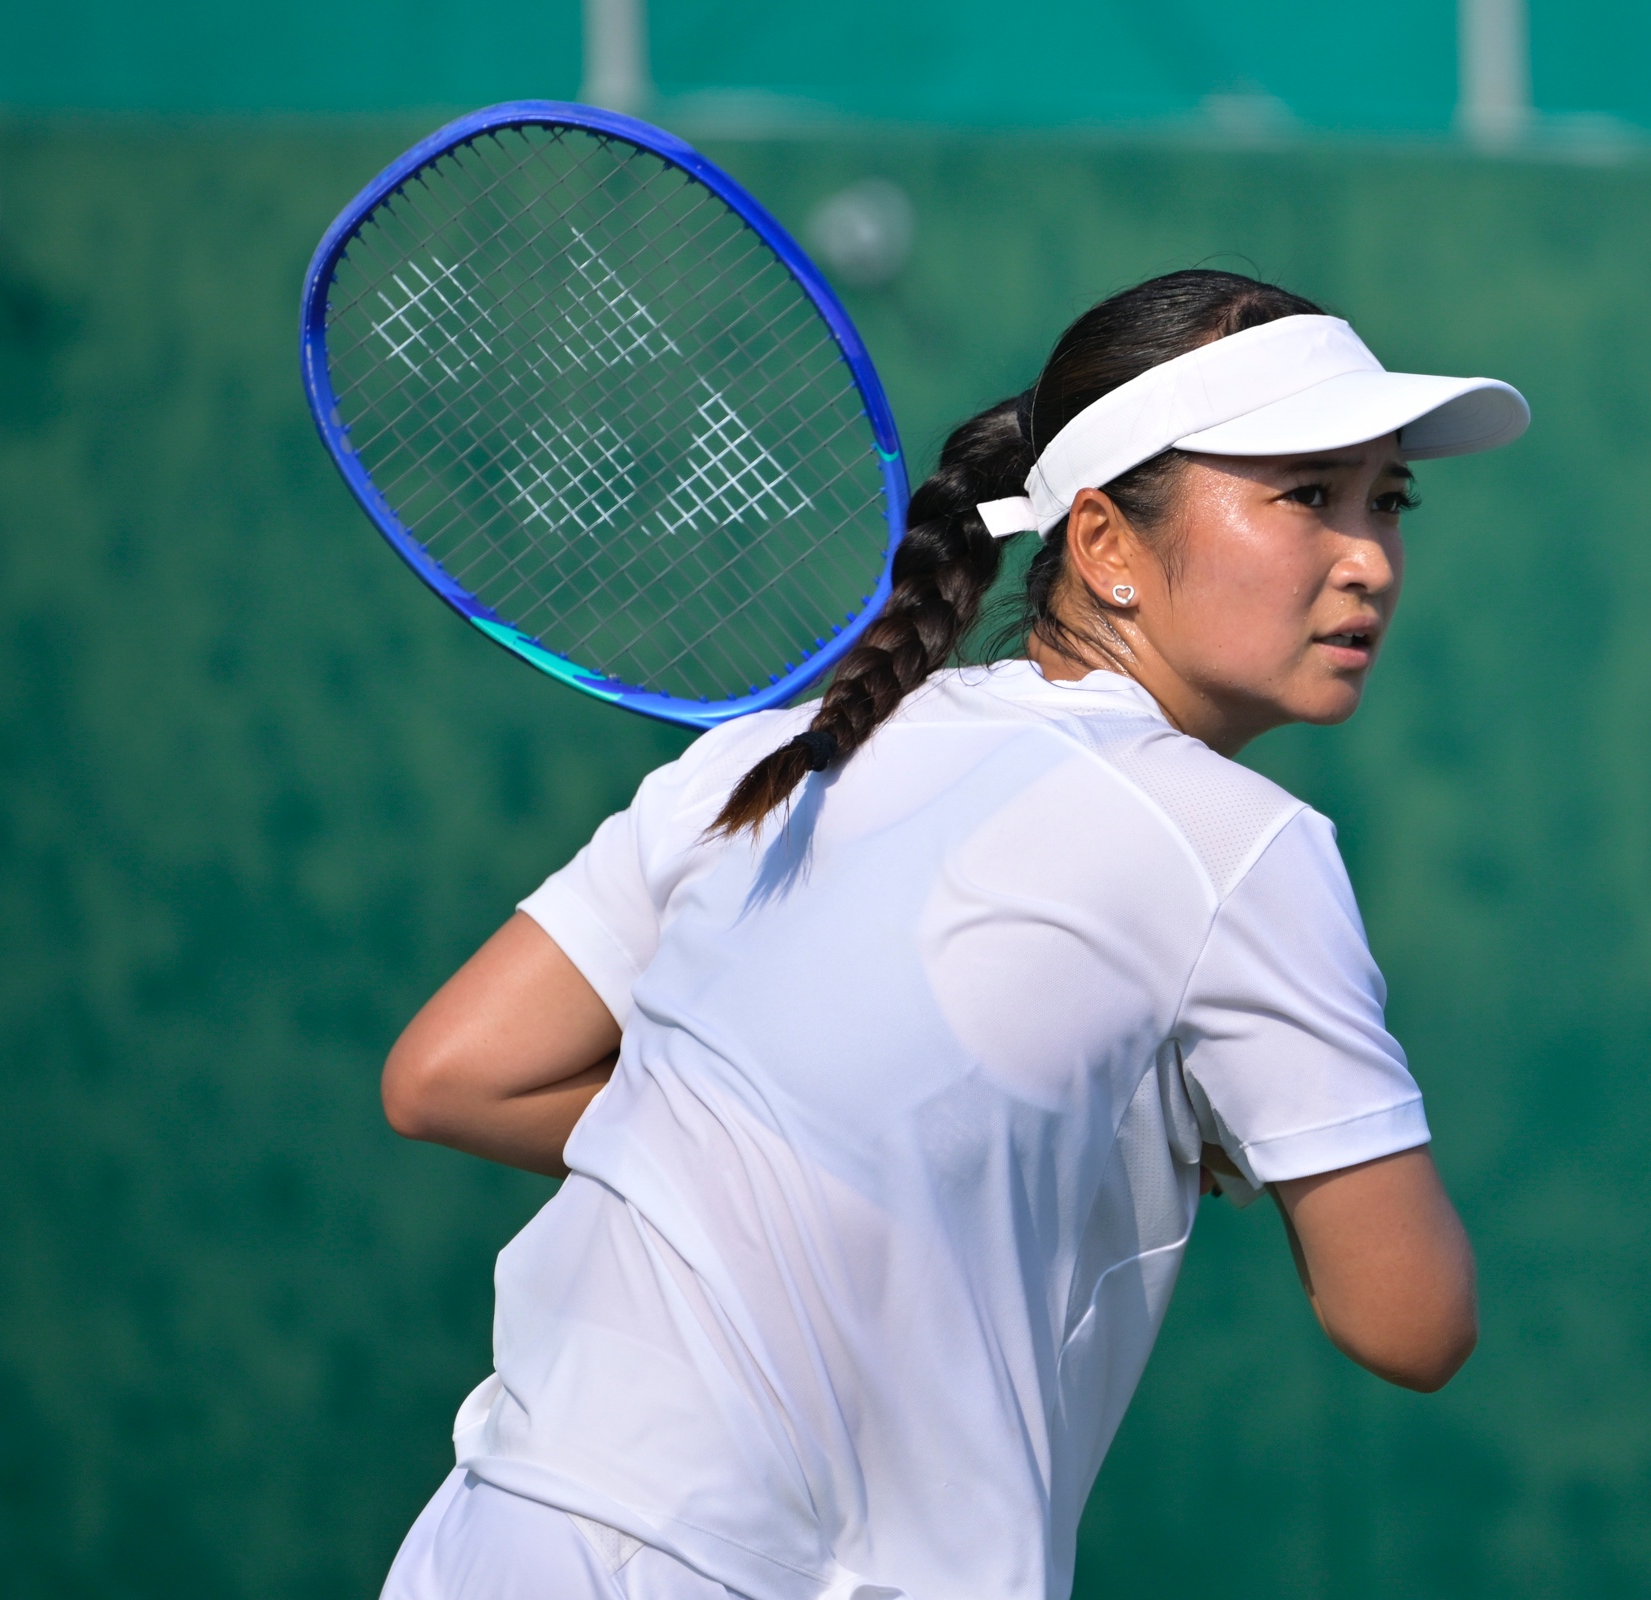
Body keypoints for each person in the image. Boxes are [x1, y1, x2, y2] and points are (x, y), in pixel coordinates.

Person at [376, 269, 1528, 1600]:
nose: (1368, 556)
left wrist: (860, 1155)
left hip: (488, 1541)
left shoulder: (767, 758)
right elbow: (1409, 1323)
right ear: (1101, 544)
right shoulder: (1240, 846)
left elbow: (455, 1075)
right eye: (1306, 493)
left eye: (1388, 500)